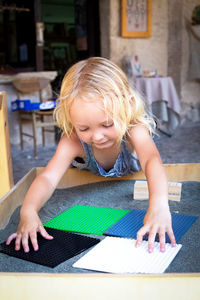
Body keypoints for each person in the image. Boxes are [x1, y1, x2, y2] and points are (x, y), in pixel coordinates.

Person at [6, 57, 176, 253]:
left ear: (127, 106)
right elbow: (48, 177)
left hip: (129, 196)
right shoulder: (73, 140)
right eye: (84, 128)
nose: (97, 136)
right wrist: (28, 211)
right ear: (71, 118)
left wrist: (159, 205)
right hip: (85, 200)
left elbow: (151, 160)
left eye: (107, 124)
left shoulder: (134, 130)